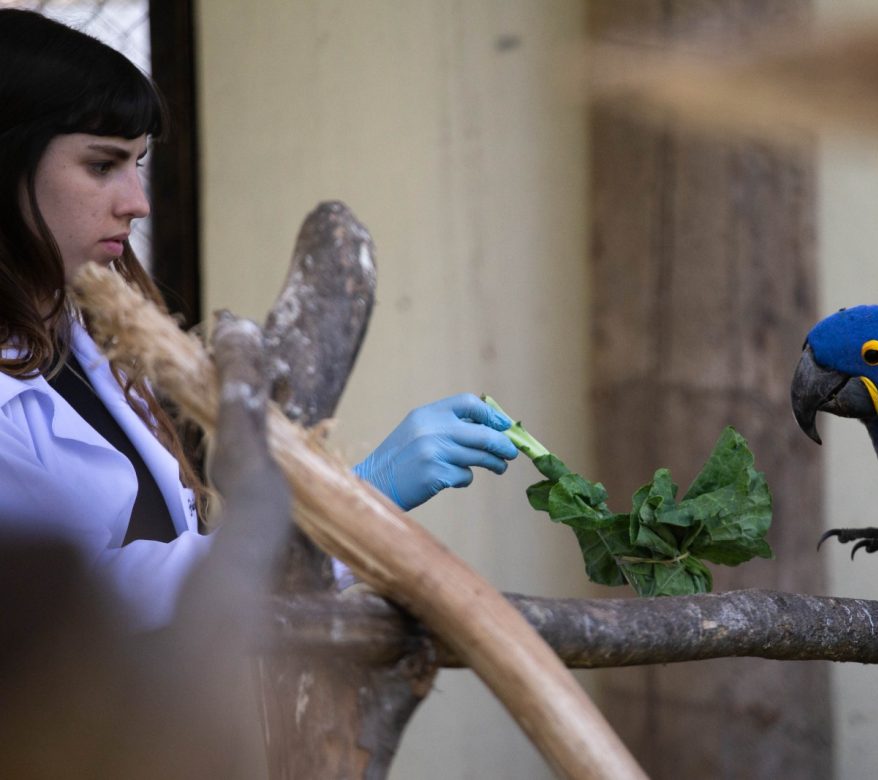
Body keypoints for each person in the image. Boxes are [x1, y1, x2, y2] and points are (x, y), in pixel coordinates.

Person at [0, 8, 518, 630]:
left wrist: (349, 499)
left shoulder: (81, 339)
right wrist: (358, 499)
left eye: (137, 165)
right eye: (101, 165)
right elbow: (99, 604)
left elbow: (185, 552)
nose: (136, 203)